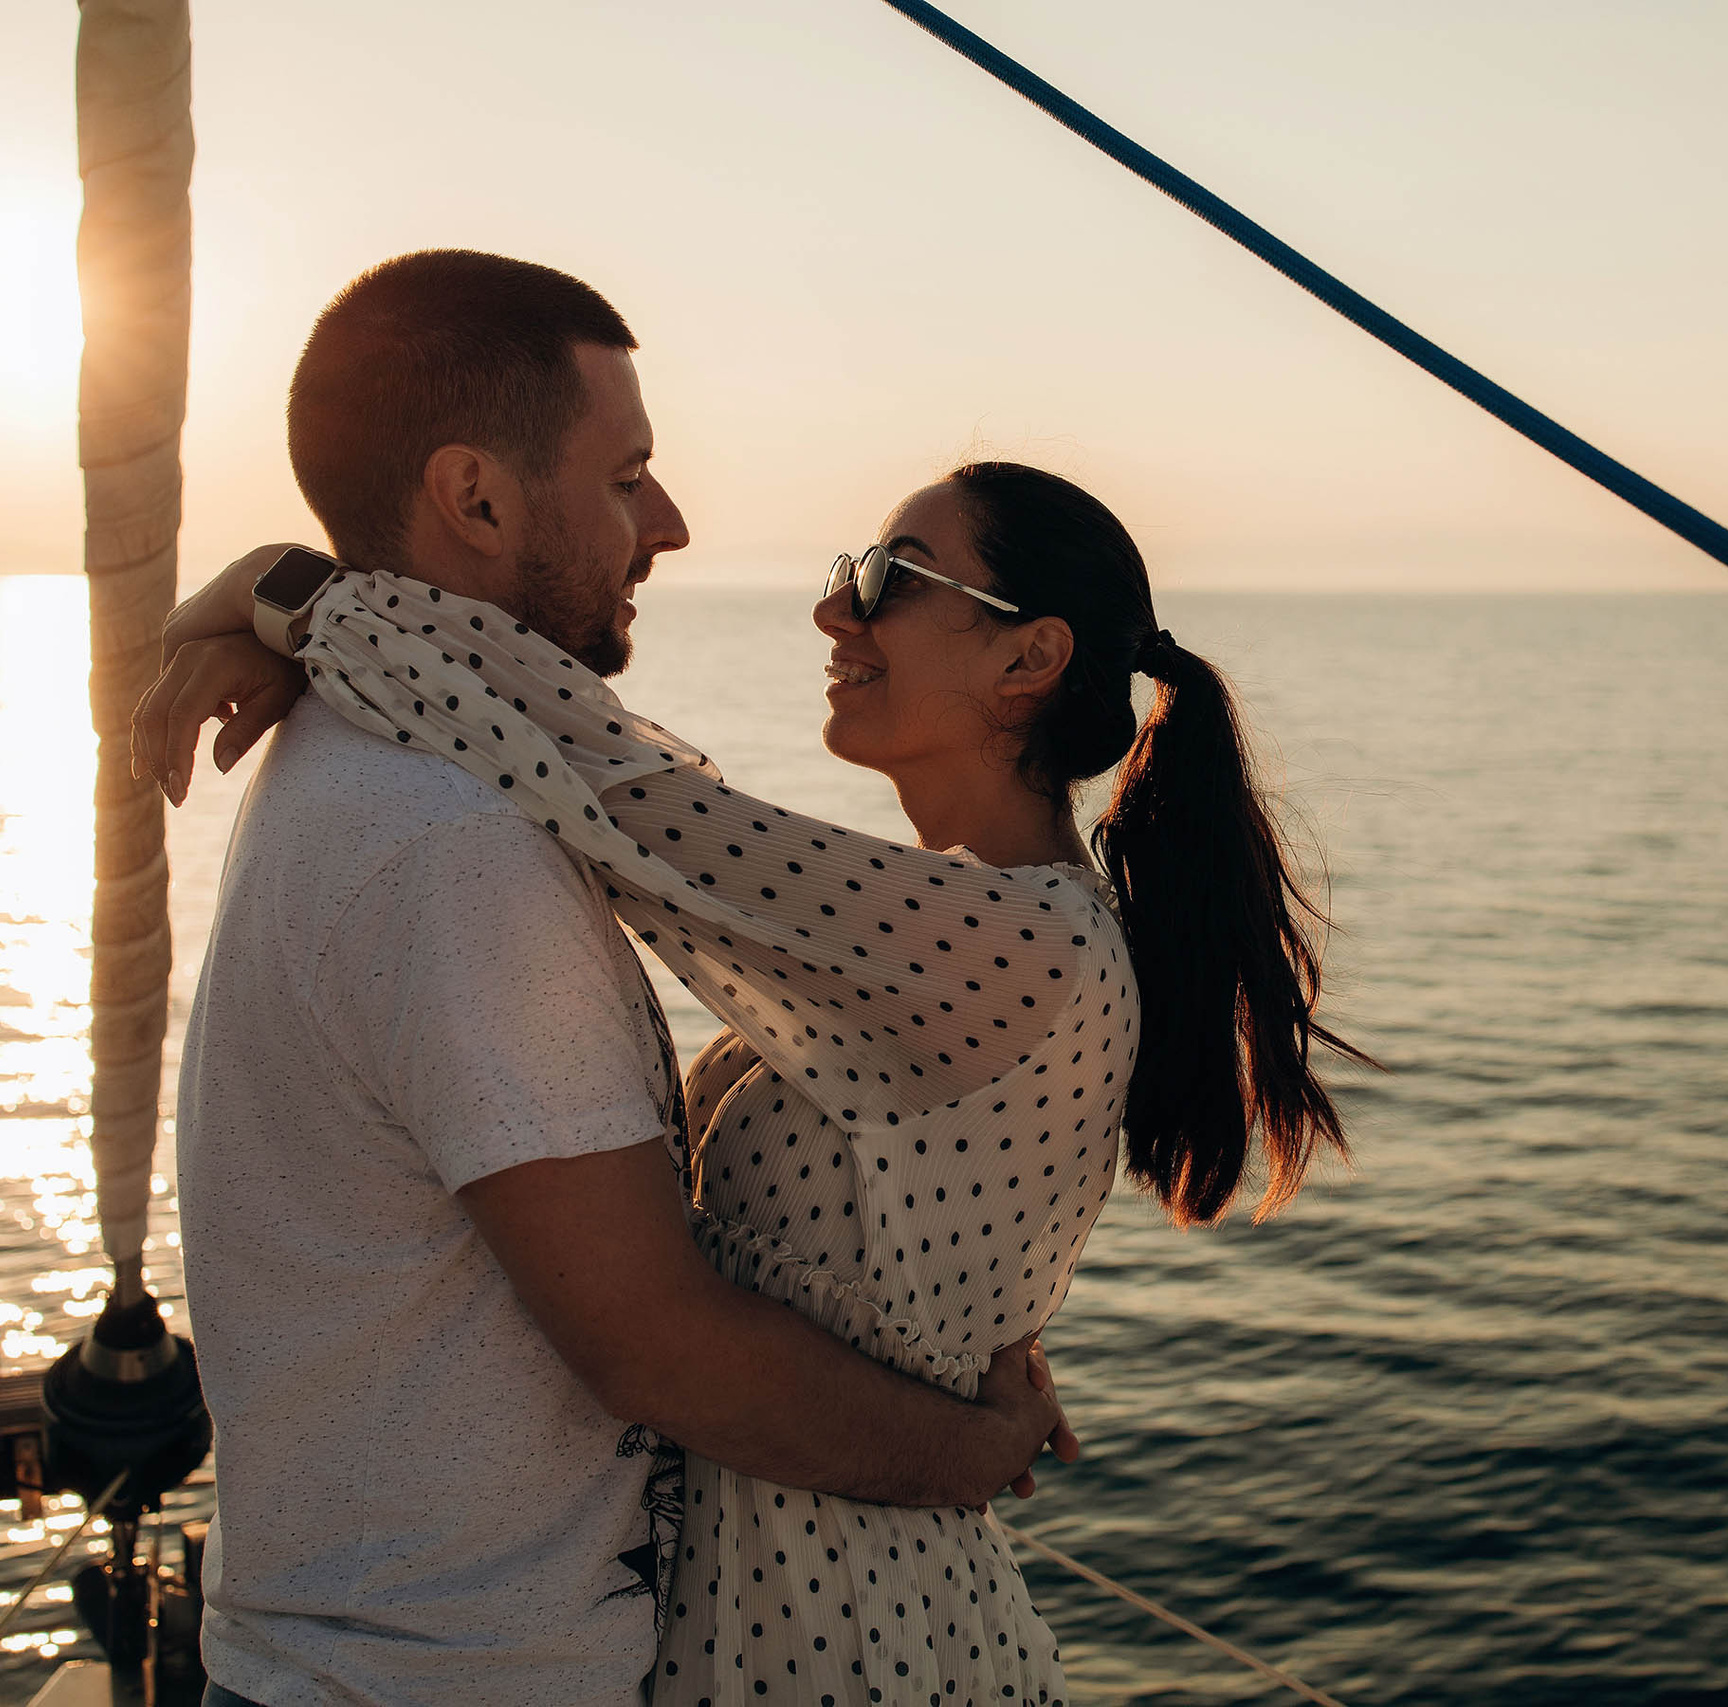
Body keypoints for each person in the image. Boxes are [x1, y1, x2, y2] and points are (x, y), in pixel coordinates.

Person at [146, 260, 1368, 1704]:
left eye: (889, 580)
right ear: (475, 496)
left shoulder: (1017, 945)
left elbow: (630, 796)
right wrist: (312, 605)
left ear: (1030, 658)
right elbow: (602, 787)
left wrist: (311, 601)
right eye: (631, 480)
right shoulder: (920, 927)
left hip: (845, 1628)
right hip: (759, 1610)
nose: (833, 611)